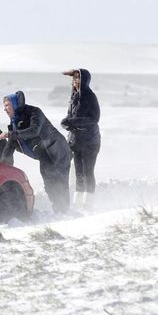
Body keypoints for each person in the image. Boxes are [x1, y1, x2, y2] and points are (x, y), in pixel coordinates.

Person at [0, 91, 71, 213]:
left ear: (15, 105)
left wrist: (12, 134)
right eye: (4, 106)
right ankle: (59, 210)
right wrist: (2, 167)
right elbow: (10, 145)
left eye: (7, 105)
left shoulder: (34, 112)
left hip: (58, 151)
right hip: (44, 154)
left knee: (59, 182)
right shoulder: (14, 123)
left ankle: (64, 211)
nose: (4, 109)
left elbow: (34, 131)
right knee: (49, 184)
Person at [60, 69, 101, 210]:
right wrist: (65, 122)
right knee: (78, 172)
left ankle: (88, 203)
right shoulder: (74, 96)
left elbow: (94, 119)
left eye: (77, 78)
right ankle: (78, 203)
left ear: (84, 80)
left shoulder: (90, 96)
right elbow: (69, 115)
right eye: (73, 79)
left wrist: (73, 122)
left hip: (90, 141)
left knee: (87, 171)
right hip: (76, 141)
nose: (74, 81)